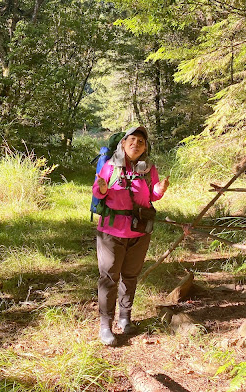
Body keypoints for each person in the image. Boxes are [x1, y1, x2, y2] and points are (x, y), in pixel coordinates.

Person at [92, 126, 169, 346]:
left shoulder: (148, 169)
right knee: (109, 278)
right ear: (123, 143)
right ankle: (105, 325)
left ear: (146, 147)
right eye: (132, 140)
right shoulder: (109, 166)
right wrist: (102, 187)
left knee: (130, 276)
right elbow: (98, 192)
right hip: (111, 232)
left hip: (140, 231)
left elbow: (151, 195)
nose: (136, 144)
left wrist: (160, 190)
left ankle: (125, 317)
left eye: (141, 142)